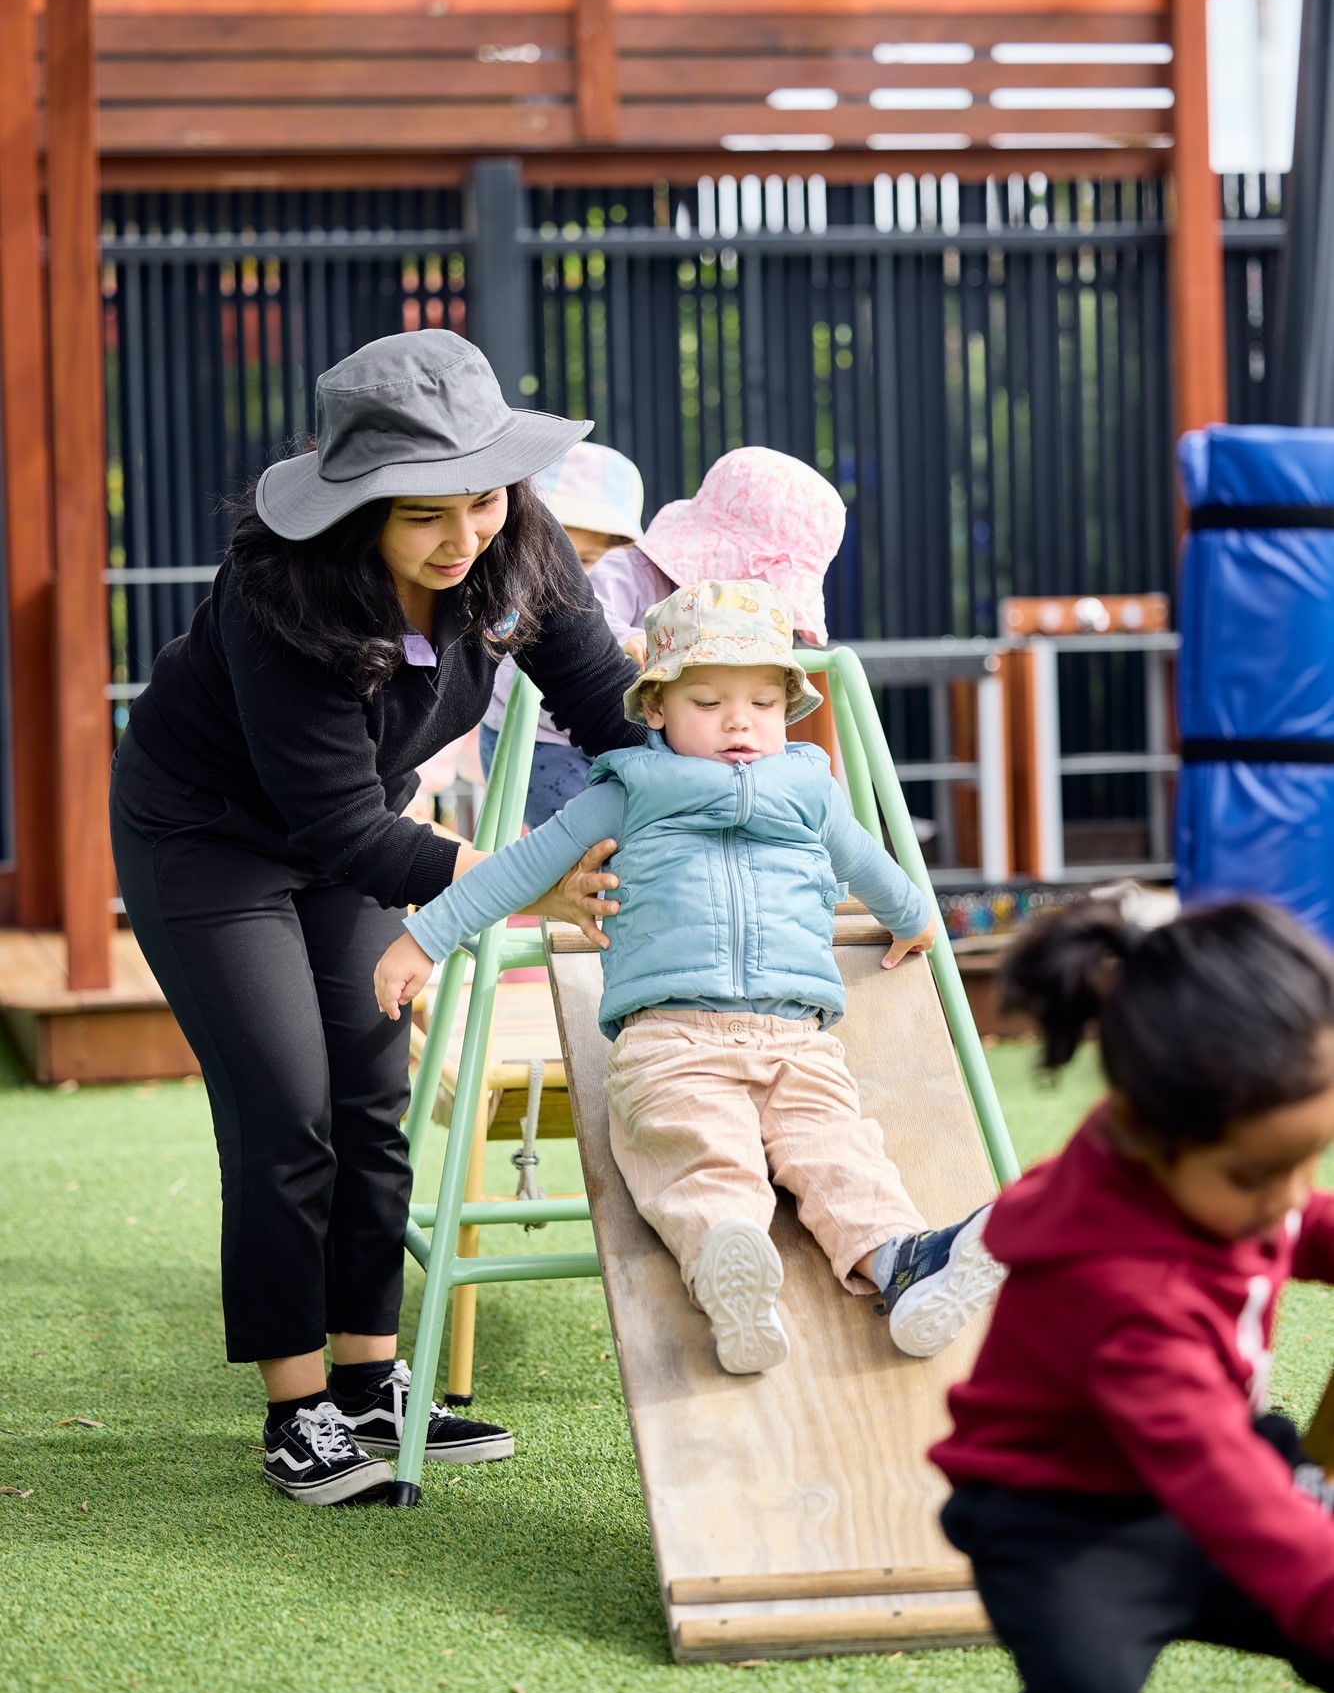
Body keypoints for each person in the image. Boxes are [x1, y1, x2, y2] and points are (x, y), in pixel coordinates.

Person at [109, 331, 646, 1506]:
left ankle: (367, 1383)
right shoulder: (279, 592)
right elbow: (344, 826)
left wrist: (715, 772)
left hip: (350, 839)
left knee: (368, 1094)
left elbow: (607, 705)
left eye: (481, 499)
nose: (464, 538)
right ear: (358, 507)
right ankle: (295, 1410)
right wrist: (526, 877)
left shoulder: (518, 546)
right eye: (424, 516)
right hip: (208, 840)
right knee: (285, 1105)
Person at [375, 580, 1002, 1375]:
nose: (739, 722)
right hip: (672, 1038)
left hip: (796, 1039)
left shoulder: (810, 790)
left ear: (787, 710)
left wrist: (914, 915)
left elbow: (867, 863)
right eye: (708, 702)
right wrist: (424, 938)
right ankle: (730, 1270)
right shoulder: (626, 792)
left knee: (841, 1152)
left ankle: (901, 1263)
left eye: (763, 705)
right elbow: (517, 870)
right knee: (699, 1152)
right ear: (658, 708)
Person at [932, 898, 1334, 1693]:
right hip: (1064, 1523)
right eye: (1259, 1173)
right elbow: (1222, 1481)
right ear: (1150, 1135)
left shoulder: (1201, 1165)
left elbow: (1298, 1225)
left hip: (1205, 1459)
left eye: (1311, 1156)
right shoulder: (1125, 1298)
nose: (1288, 1194)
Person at [480, 444, 849, 828]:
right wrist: (625, 638)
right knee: (590, 835)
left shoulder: (729, 620)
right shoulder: (632, 571)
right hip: (545, 740)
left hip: (641, 735)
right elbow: (583, 612)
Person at [479, 440, 645, 826]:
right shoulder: (514, 594)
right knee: (583, 840)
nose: (569, 572)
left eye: (585, 560)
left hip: (595, 729)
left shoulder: (616, 585)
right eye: (554, 553)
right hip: (532, 746)